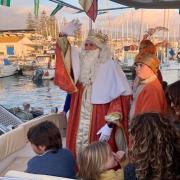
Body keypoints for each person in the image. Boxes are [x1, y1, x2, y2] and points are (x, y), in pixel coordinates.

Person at [54, 20, 132, 156]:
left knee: (98, 149)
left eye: (92, 45)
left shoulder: (110, 66)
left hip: (100, 115)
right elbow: (65, 55)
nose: (88, 48)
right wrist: (62, 36)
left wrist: (109, 125)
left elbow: (119, 99)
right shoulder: (80, 64)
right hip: (78, 112)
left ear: (101, 49)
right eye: (86, 45)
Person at [129, 112, 177, 179]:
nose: (133, 145)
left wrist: (123, 163)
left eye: (135, 141)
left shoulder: (134, 172)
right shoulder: (175, 163)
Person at [129, 50, 167, 121]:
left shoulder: (152, 90)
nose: (137, 69)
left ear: (151, 68)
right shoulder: (146, 84)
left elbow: (149, 122)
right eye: (136, 65)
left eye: (141, 65)